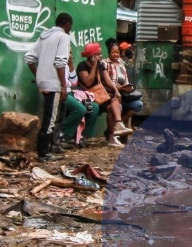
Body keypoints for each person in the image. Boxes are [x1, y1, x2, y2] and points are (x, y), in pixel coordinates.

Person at [25, 12, 74, 160]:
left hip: (43, 81)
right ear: (67, 25)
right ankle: (43, 153)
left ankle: (44, 151)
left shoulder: (44, 36)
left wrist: (38, 74)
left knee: (48, 115)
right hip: (53, 83)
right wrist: (64, 85)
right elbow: (60, 62)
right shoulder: (63, 37)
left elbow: (29, 58)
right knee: (50, 118)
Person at [77, 42, 130, 145]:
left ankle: (115, 131)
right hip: (88, 97)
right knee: (98, 107)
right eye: (98, 54)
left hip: (99, 96)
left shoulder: (100, 65)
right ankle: (85, 136)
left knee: (113, 105)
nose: (100, 56)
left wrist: (116, 91)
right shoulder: (82, 66)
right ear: (92, 56)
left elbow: (108, 80)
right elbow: (88, 82)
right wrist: (94, 66)